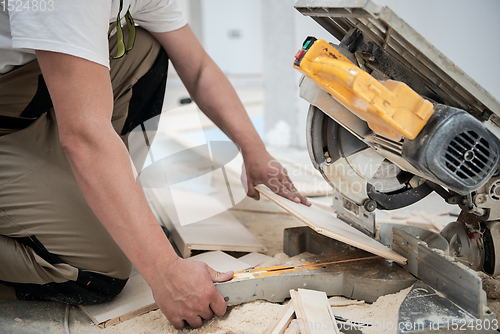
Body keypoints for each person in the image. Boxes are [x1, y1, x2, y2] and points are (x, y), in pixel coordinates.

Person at [0, 0, 310, 329]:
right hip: (14, 114)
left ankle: (94, 191)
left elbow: (199, 66)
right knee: (97, 272)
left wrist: (254, 149)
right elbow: (83, 137)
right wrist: (165, 271)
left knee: (144, 48)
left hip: (30, 101)